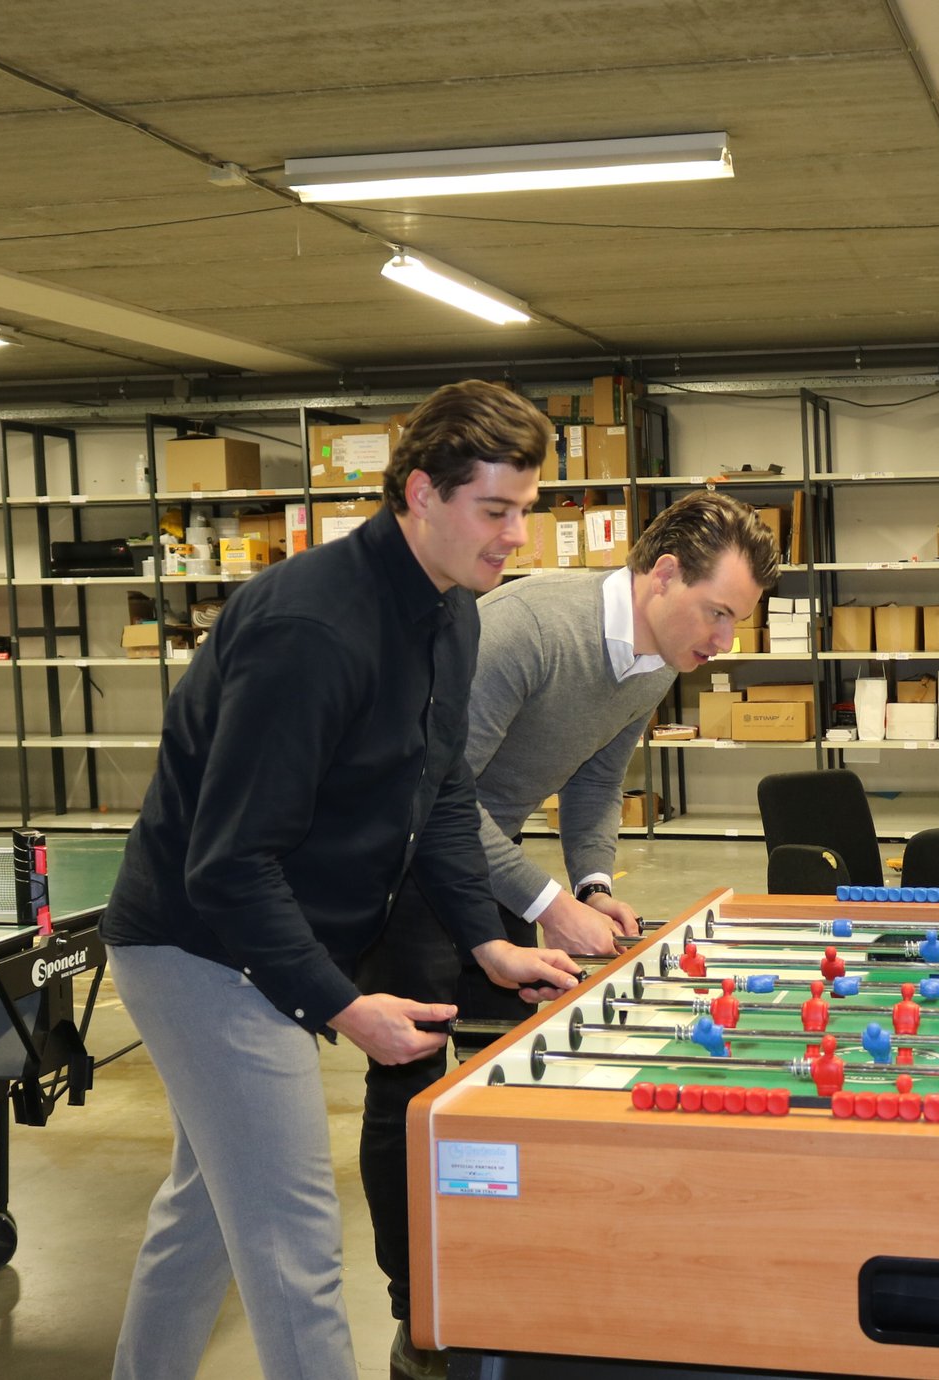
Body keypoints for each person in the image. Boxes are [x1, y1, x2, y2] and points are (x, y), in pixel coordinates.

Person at [102, 380, 582, 1380]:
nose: (514, 541)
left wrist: (484, 936)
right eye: (494, 512)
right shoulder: (310, 631)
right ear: (419, 492)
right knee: (292, 1242)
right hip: (200, 946)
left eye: (523, 513)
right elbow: (228, 863)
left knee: (206, 1214)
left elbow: (440, 789)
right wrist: (343, 1003)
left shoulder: (450, 611)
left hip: (272, 933)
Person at [359, 490, 778, 1380]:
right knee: (411, 1071)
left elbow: (597, 773)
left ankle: (521, 1270)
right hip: (397, 860)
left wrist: (590, 881)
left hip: (481, 851)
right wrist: (547, 901)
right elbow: (436, 800)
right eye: (718, 613)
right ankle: (418, 1311)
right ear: (663, 574)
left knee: (533, 1049)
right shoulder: (525, 633)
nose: (724, 641)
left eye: (736, 622)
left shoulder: (661, 656)